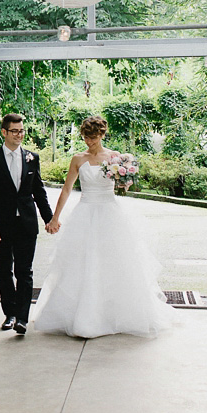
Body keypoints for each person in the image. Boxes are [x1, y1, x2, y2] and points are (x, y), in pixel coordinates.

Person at [34, 115, 173, 338]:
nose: (89, 141)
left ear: (102, 134)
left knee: (114, 262)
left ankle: (112, 314)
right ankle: (82, 316)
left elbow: (124, 186)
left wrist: (124, 179)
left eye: (93, 137)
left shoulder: (115, 158)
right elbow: (67, 189)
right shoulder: (78, 159)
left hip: (109, 213)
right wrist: (55, 218)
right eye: (86, 137)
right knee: (82, 262)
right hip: (85, 212)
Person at [0, 113, 53, 335]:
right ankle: (9, 313)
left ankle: (22, 318)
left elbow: (38, 191)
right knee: (3, 269)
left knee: (25, 271)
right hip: (1, 226)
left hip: (26, 224)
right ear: (4, 132)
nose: (19, 135)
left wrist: (49, 218)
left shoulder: (32, 157)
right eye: (14, 131)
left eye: (21, 131)